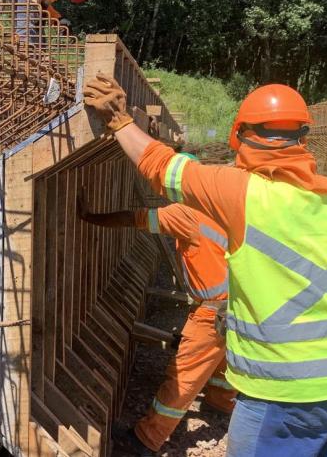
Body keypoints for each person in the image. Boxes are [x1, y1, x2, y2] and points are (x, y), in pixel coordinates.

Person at [83, 75, 327, 457]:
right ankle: (217, 398)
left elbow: (164, 169)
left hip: (286, 390)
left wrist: (120, 121)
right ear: (303, 137)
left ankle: (149, 437)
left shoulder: (241, 192)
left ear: (240, 135)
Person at [77, 184, 236, 457]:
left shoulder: (185, 213)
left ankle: (145, 439)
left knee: (183, 378)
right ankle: (220, 403)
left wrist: (90, 217)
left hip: (212, 312)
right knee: (223, 359)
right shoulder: (222, 211)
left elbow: (132, 218)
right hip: (237, 306)